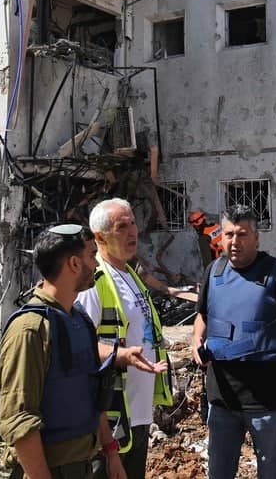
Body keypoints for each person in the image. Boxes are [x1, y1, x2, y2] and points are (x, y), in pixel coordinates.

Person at [192, 205, 276, 479]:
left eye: (242, 234)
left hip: (268, 399)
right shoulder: (213, 272)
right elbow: (203, 316)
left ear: (256, 237)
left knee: (272, 472)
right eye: (228, 234)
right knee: (219, 473)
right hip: (222, 397)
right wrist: (195, 340)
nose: (234, 241)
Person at [0, 224, 127, 479]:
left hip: (85, 464)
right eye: (92, 255)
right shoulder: (31, 329)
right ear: (74, 264)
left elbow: (94, 395)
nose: (97, 264)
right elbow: (20, 421)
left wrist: (111, 452)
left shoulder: (79, 319)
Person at [77, 199, 172, 479]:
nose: (133, 232)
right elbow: (81, 346)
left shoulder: (130, 274)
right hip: (110, 416)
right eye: (122, 227)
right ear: (99, 237)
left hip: (136, 414)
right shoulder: (94, 281)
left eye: (133, 223)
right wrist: (121, 355)